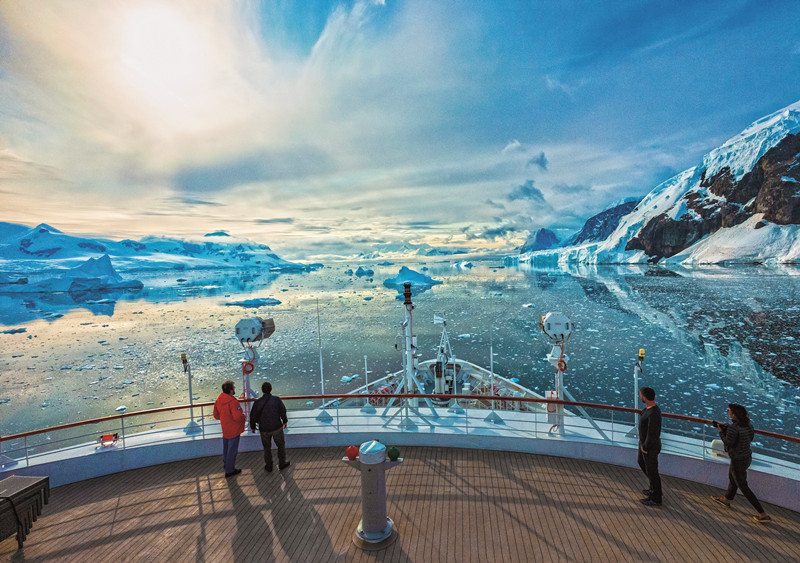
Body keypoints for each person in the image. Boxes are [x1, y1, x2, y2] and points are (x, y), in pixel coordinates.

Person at [710, 403, 771, 523]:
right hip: (746, 457)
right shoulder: (748, 425)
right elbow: (750, 438)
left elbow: (729, 442)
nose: (727, 412)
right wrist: (727, 428)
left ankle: (762, 514)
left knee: (743, 486)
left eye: (729, 410)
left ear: (734, 414)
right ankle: (726, 499)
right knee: (732, 478)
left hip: (737, 459)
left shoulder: (733, 428)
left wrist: (721, 431)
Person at [250, 381, 290, 472]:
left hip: (264, 428)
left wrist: (253, 427)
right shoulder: (276, 400)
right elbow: (282, 411)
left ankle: (269, 466)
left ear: (262, 390)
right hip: (276, 427)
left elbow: (253, 416)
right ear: (271, 389)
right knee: (281, 445)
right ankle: (282, 463)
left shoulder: (257, 402)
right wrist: (284, 421)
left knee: (267, 447)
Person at [213, 380, 246, 478]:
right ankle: (229, 470)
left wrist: (225, 419)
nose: (234, 389)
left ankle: (226, 464)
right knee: (232, 451)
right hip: (234, 430)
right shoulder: (233, 402)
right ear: (231, 390)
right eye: (234, 388)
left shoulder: (219, 400)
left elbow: (216, 415)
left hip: (225, 429)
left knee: (226, 449)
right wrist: (243, 416)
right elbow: (237, 417)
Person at [637, 386, 662, 507]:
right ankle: (653, 489)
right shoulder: (648, 410)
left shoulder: (654, 414)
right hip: (644, 444)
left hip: (649, 447)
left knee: (653, 472)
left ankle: (656, 498)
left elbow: (653, 433)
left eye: (640, 395)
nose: (640, 397)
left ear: (644, 397)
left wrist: (645, 447)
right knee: (641, 463)